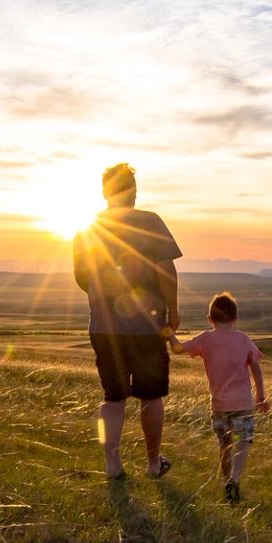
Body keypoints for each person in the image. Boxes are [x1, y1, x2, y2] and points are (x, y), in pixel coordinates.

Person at [71, 162, 183, 480]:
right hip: (147, 326)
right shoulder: (149, 222)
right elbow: (166, 271)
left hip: (103, 326)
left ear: (105, 192)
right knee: (151, 396)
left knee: (113, 397)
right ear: (133, 191)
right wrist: (172, 311)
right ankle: (151, 463)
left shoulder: (86, 228)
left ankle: (112, 464)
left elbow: (82, 278)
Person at [179, 292, 269, 503]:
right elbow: (256, 366)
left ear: (210, 319)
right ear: (235, 318)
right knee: (241, 440)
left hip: (219, 406)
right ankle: (234, 480)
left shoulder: (205, 338)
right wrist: (261, 396)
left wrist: (166, 331)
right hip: (242, 405)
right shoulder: (244, 339)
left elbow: (177, 348)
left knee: (225, 444)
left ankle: (226, 479)